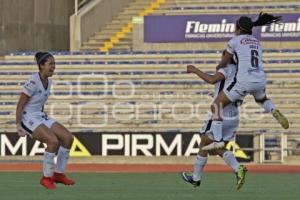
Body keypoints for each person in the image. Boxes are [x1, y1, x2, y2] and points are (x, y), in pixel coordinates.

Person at [202, 12, 289, 150]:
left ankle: (218, 140)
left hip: (244, 80)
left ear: (239, 28)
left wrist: (219, 66)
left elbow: (225, 61)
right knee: (262, 99)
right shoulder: (256, 41)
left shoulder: (234, 41)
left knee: (216, 105)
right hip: (259, 78)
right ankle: (273, 110)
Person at [181, 53, 247, 190]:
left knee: (210, 142)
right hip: (234, 114)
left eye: (223, 57)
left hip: (220, 113)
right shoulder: (242, 74)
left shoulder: (226, 69)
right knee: (206, 143)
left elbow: (211, 79)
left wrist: (194, 69)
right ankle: (196, 178)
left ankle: (236, 167)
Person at [16, 52, 75, 189]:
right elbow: (20, 104)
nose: (53, 67)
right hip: (28, 117)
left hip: (39, 115)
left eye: (54, 64)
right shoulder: (33, 81)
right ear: (41, 66)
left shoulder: (49, 81)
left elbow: (39, 102)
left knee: (68, 137)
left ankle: (59, 175)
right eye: (50, 64)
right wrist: (19, 124)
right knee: (52, 141)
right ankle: (46, 177)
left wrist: (42, 118)